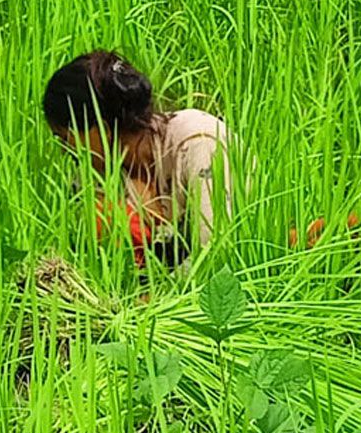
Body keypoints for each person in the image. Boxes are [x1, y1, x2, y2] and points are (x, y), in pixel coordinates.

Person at [41, 50, 237, 269]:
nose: (65, 151)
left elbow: (216, 251)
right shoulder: (102, 177)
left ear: (101, 130)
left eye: (66, 138)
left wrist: (152, 301)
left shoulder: (198, 142)